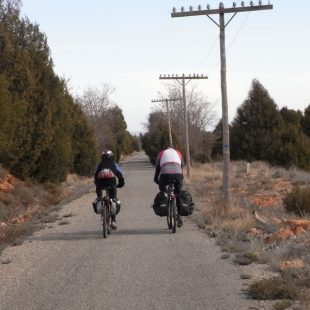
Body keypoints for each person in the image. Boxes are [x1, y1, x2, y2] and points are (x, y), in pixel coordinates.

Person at [154, 144, 184, 227]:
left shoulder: (161, 153)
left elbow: (158, 168)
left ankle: (165, 199)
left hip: (165, 175)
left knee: (163, 190)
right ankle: (180, 217)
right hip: (178, 175)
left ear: (165, 148)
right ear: (174, 148)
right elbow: (182, 165)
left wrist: (156, 179)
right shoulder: (178, 152)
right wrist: (181, 177)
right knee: (178, 194)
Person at [94, 150, 125, 229]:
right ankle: (113, 221)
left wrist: (98, 188)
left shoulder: (99, 165)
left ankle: (99, 198)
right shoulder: (114, 164)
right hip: (111, 183)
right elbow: (119, 175)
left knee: (99, 195)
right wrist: (121, 184)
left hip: (100, 183)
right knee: (113, 199)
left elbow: (96, 176)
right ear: (111, 156)